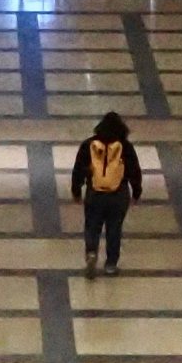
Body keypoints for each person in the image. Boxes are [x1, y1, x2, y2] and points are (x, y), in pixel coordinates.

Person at [69, 111, 143, 276]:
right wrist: (136, 192)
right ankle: (110, 264)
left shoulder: (89, 144)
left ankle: (91, 253)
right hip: (118, 194)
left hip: (94, 193)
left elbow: (78, 170)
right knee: (114, 229)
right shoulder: (125, 146)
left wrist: (76, 190)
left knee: (92, 227)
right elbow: (134, 171)